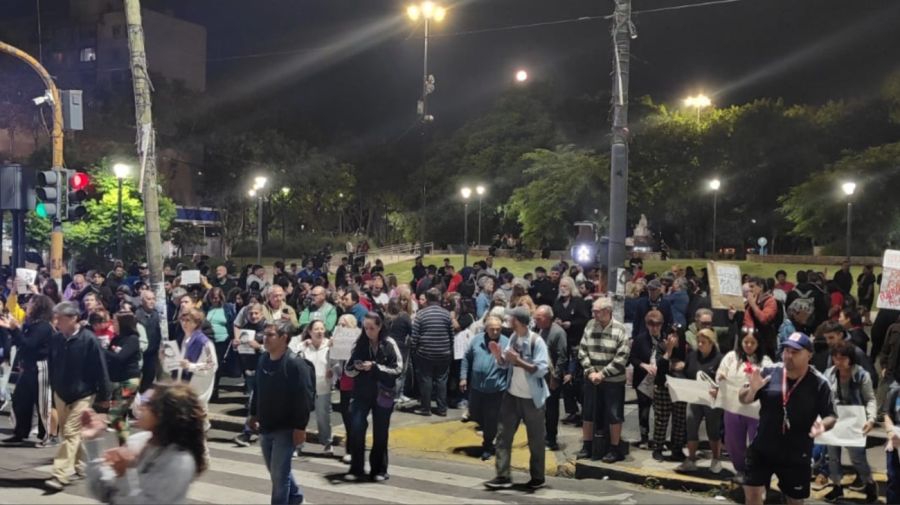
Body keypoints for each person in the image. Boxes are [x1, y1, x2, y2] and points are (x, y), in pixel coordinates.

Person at [739, 332, 837, 505]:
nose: (789, 356)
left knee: (795, 501)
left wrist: (821, 426)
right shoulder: (769, 371)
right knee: (753, 494)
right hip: (763, 447)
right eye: (786, 350)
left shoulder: (819, 383)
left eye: (795, 352)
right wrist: (752, 390)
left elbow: (831, 416)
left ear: (809, 355)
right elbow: (743, 398)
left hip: (796, 453)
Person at [82, 383, 207, 503]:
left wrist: (124, 473)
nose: (140, 406)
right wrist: (93, 440)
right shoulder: (137, 440)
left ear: (163, 414)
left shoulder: (179, 461)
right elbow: (105, 493)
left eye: (148, 403)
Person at [45, 301, 110, 492]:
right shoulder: (57, 339)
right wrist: (53, 386)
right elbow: (51, 364)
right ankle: (82, 466)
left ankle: (60, 474)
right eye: (55, 318)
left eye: (60, 318)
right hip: (61, 393)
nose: (56, 322)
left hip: (83, 393)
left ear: (74, 318)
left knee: (72, 433)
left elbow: (101, 367)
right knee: (69, 434)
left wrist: (105, 396)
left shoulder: (88, 339)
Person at [484, 306, 551, 490]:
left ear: (519, 321)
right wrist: (499, 357)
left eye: (511, 319)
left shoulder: (536, 341)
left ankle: (537, 477)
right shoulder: (513, 338)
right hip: (512, 396)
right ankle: (502, 475)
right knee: (503, 436)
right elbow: (507, 364)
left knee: (536, 440)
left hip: (531, 398)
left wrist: (519, 361)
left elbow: (542, 369)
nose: (508, 321)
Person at [248, 323, 312, 504]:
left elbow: (304, 398)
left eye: (270, 335)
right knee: (277, 471)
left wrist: (300, 427)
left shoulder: (294, 363)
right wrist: (253, 414)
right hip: (266, 426)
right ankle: (296, 497)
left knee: (279, 477)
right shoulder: (263, 360)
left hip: (286, 428)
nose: (264, 339)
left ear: (284, 338)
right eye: (264, 335)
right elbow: (257, 389)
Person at [344, 312, 403, 481]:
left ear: (380, 327)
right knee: (356, 428)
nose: (369, 332)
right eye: (366, 328)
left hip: (383, 393)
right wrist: (357, 367)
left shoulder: (389, 343)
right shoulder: (360, 344)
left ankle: (379, 469)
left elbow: (398, 369)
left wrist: (375, 367)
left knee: (381, 432)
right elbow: (348, 370)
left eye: (372, 328)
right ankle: (356, 468)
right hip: (362, 393)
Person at [577, 297, 631, 463]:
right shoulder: (590, 325)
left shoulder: (620, 329)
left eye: (597, 311)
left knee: (614, 414)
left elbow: (622, 357)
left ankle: (614, 448)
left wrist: (603, 374)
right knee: (588, 412)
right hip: (592, 378)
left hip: (613, 381)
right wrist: (591, 371)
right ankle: (587, 445)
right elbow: (582, 350)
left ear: (607, 312)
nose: (594, 314)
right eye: (594, 311)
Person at [823, 340, 878, 502]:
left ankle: (869, 484)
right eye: (835, 358)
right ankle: (837, 486)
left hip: (854, 421)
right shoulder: (829, 373)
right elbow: (822, 396)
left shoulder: (861, 375)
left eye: (842, 358)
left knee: (857, 457)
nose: (838, 362)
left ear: (850, 358)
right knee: (832, 456)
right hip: (833, 420)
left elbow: (870, 399)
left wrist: (871, 419)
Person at [716, 327, 772, 483]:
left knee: (757, 443)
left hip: (756, 410)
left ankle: (757, 473)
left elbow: (769, 381)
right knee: (733, 442)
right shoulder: (730, 357)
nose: (748, 345)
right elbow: (720, 373)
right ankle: (740, 470)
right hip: (733, 407)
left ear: (758, 343)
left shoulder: (765, 361)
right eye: (745, 341)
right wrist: (720, 377)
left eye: (752, 342)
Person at [0, 294, 55, 445]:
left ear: (38, 306)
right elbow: (21, 343)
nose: (27, 306)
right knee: (20, 400)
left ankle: (47, 436)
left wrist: (15, 329)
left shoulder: (44, 326)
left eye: (30, 303)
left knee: (42, 402)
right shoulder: (32, 324)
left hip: (40, 367)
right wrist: (13, 329)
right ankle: (20, 432)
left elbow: (29, 345)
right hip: (28, 367)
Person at [460, 315, 508, 460]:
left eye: (498, 329)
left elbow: (510, 365)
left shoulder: (506, 343)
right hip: (476, 388)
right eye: (492, 329)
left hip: (495, 390)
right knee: (475, 414)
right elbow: (467, 358)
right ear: (486, 329)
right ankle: (488, 432)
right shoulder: (477, 340)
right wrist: (463, 377)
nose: (495, 332)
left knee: (490, 419)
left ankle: (487, 445)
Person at [678, 329, 724, 473]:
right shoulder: (692, 356)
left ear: (711, 343)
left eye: (703, 342)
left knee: (713, 429)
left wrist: (718, 390)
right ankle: (691, 459)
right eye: (698, 341)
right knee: (691, 425)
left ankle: (716, 459)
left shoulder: (719, 359)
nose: (700, 344)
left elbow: (723, 381)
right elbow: (685, 374)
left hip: (712, 400)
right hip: (695, 397)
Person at [298, 319, 339, 456]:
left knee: (323, 417)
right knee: (302, 417)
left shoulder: (330, 345)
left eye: (322, 329)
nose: (320, 331)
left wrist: (332, 372)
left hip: (323, 387)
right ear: (310, 331)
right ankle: (297, 445)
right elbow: (295, 362)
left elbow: (337, 365)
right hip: (305, 389)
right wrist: (302, 346)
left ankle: (327, 444)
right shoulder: (303, 346)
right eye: (316, 329)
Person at [410, 288, 453, 417]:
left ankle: (426, 408)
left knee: (426, 379)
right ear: (439, 299)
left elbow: (415, 336)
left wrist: (414, 350)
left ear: (427, 300)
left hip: (425, 353)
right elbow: (451, 335)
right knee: (442, 380)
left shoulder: (421, 314)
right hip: (444, 353)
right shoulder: (446, 314)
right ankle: (442, 408)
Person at [170, 309, 218, 419]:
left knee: (198, 418)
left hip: (197, 386)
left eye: (188, 320)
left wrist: (191, 366)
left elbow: (212, 365)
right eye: (182, 320)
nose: (184, 323)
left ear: (196, 323)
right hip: (183, 385)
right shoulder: (182, 339)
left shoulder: (204, 342)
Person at [532, 305, 568, 451]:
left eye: (538, 318)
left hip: (551, 376)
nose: (536, 320)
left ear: (547, 318)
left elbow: (562, 356)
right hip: (538, 375)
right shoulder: (539, 330)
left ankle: (551, 439)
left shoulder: (558, 333)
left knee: (551, 409)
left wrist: (556, 377)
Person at [104, 312, 143, 445]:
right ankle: (124, 444)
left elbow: (120, 357)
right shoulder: (116, 339)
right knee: (121, 416)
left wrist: (103, 351)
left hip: (129, 380)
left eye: (115, 322)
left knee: (115, 414)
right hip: (117, 380)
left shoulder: (132, 339)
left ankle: (127, 444)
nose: (113, 325)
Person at [630, 310, 665, 449]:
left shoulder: (666, 339)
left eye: (657, 324)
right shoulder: (640, 339)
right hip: (643, 379)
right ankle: (644, 438)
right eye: (651, 324)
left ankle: (658, 440)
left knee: (660, 412)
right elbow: (632, 358)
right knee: (643, 410)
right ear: (646, 324)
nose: (654, 327)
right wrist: (644, 365)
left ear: (661, 325)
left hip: (660, 381)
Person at [743, 276, 780, 360]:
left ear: (761, 287)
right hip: (750, 341)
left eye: (752, 286)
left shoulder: (770, 301)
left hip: (764, 344)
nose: (750, 290)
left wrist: (753, 304)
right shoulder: (750, 302)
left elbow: (764, 319)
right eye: (749, 287)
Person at [134, 289, 162, 392]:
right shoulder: (137, 315)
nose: (152, 301)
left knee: (149, 376)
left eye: (153, 299)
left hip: (153, 351)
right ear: (142, 301)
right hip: (140, 352)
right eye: (148, 299)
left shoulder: (157, 314)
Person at [884, 383, 900, 503]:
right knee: (893, 477)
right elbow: (888, 414)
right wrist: (890, 431)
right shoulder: (895, 390)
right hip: (895, 439)